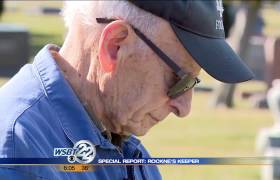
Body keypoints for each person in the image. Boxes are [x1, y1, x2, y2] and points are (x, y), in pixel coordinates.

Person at [0, 1, 254, 179]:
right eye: (181, 81)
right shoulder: (19, 154)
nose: (184, 108)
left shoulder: (122, 145)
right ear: (115, 46)